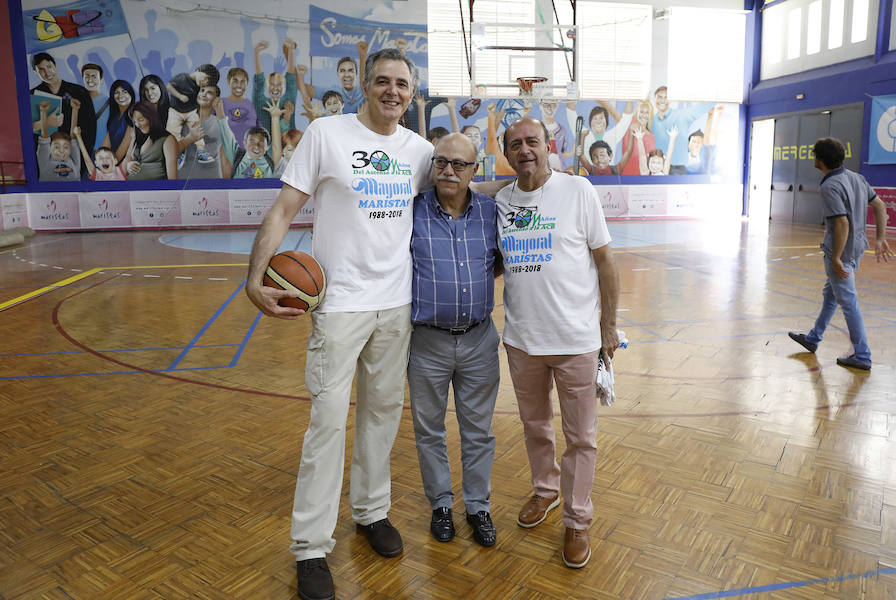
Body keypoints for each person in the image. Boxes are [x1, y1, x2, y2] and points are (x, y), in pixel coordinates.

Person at [243, 48, 435, 600]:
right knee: (327, 425)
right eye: (382, 81)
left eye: (401, 83)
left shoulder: (419, 152)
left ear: (412, 92)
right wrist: (254, 278)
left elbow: (458, 193)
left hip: (397, 306)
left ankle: (372, 512)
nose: (391, 91)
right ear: (365, 86)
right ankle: (310, 547)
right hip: (338, 307)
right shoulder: (326, 134)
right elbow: (283, 210)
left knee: (381, 417)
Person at [495, 117, 620, 569]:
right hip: (522, 341)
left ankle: (577, 519)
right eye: (515, 144)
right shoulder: (501, 202)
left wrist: (609, 326)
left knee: (581, 437)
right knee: (534, 426)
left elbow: (605, 262)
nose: (525, 149)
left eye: (532, 141)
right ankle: (546, 490)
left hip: (577, 340)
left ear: (549, 146)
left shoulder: (578, 190)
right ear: (506, 154)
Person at [408, 133, 502, 548]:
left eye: (459, 164)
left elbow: (496, 263)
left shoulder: (490, 212)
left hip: (480, 341)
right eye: (441, 162)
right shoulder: (410, 211)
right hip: (426, 343)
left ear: (473, 171)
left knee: (478, 431)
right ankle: (441, 504)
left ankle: (478, 506)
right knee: (429, 430)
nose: (448, 170)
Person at [788, 137, 894, 371]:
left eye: (814, 155)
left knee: (848, 303)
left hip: (843, 254)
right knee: (831, 295)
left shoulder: (829, 186)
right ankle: (814, 338)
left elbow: (842, 224)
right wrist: (879, 238)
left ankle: (863, 355)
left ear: (821, 160)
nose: (813, 158)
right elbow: (880, 206)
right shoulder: (857, 178)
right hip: (857, 250)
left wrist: (836, 257)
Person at [30, 52, 96, 174]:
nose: (47, 72)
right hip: (45, 162)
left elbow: (90, 128)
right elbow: (24, 130)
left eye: (49, 67)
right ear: (35, 72)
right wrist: (45, 122)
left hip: (77, 157)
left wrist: (81, 160)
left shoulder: (79, 92)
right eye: (41, 70)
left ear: (55, 65)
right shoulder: (33, 95)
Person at [650, 86, 713, 174]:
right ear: (655, 98)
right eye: (659, 97)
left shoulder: (681, 115)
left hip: (677, 170)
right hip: (659, 170)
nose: (662, 100)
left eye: (666, 97)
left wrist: (714, 92)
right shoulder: (653, 121)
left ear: (670, 100)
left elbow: (701, 108)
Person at [166, 64, 220, 164]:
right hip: (175, 111)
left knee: (197, 128)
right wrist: (179, 96)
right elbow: (169, 87)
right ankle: (177, 153)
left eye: (207, 82)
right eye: (205, 78)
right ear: (198, 70)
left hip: (191, 112)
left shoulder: (199, 87)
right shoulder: (183, 77)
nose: (204, 83)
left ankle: (201, 151)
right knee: (173, 131)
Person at [253, 40, 298, 154]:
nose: (275, 88)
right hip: (268, 155)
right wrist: (256, 53)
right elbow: (258, 84)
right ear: (267, 87)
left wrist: (291, 51)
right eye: (271, 85)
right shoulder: (262, 104)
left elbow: (292, 79)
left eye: (279, 85)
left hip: (288, 153)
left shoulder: (288, 101)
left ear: (284, 87)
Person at [566, 101, 633, 173]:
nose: (598, 121)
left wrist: (630, 99)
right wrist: (582, 136)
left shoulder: (612, 135)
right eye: (595, 118)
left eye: (601, 118)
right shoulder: (584, 133)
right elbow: (571, 114)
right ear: (590, 121)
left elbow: (626, 119)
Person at [178, 85, 225, 180]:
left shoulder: (220, 122)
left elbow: (228, 149)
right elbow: (172, 150)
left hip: (213, 178)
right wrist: (190, 139)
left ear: (216, 99)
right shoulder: (184, 120)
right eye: (202, 91)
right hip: (186, 177)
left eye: (209, 92)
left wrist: (220, 112)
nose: (204, 94)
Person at [125, 100, 178, 180]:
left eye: (141, 120)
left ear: (151, 117)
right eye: (135, 122)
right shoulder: (137, 138)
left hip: (156, 190)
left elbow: (173, 178)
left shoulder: (168, 139)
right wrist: (129, 165)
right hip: (133, 189)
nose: (137, 125)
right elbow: (126, 164)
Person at [36, 99, 80, 181]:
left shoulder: (74, 162)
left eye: (66, 147)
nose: (62, 151)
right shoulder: (45, 162)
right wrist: (43, 112)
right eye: (56, 147)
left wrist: (75, 110)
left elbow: (73, 137)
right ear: (50, 148)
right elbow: (44, 138)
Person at [222, 67, 258, 150]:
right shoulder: (219, 104)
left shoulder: (252, 105)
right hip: (225, 155)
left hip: (249, 156)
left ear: (247, 84)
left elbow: (259, 132)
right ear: (228, 81)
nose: (239, 85)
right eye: (235, 81)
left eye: (242, 82)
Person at [684, 105, 724, 175]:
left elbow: (709, 145)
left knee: (708, 153)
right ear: (688, 144)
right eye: (694, 141)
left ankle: (713, 117)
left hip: (706, 175)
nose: (696, 144)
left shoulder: (705, 155)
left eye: (699, 142)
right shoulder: (682, 160)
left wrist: (713, 118)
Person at [102, 80, 135, 164]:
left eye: (124, 92)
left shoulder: (133, 116)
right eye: (116, 92)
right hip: (110, 162)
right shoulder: (114, 116)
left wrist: (108, 165)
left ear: (131, 94)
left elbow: (119, 155)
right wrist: (100, 158)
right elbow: (105, 145)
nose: (121, 95)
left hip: (124, 165)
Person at [619, 101, 654, 176]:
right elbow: (627, 152)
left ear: (650, 115)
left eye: (647, 112)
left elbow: (650, 160)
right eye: (641, 112)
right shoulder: (630, 126)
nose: (644, 115)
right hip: (627, 173)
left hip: (643, 175)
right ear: (637, 113)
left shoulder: (650, 136)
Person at [80, 63, 108, 153]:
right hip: (82, 151)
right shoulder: (77, 102)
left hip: (103, 152)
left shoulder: (109, 102)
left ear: (101, 79)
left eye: (94, 76)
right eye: (87, 77)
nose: (90, 80)